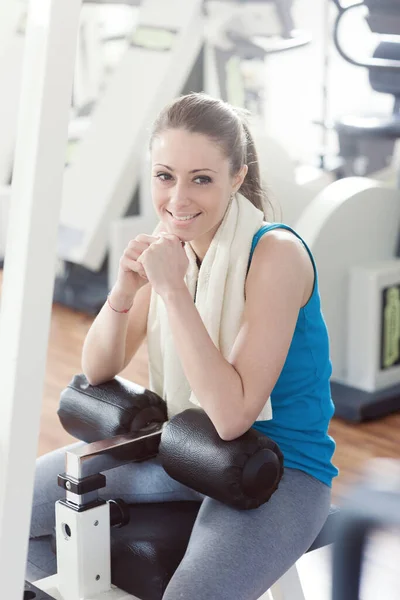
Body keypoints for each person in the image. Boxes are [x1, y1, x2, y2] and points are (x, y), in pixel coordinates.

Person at [27, 92, 338, 600]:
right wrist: (126, 290)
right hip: (183, 451)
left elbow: (233, 417)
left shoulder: (276, 255)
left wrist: (171, 291)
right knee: (9, 511)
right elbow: (98, 368)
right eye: (164, 175)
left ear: (237, 177)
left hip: (280, 469)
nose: (178, 199)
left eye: (202, 179)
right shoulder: (170, 244)